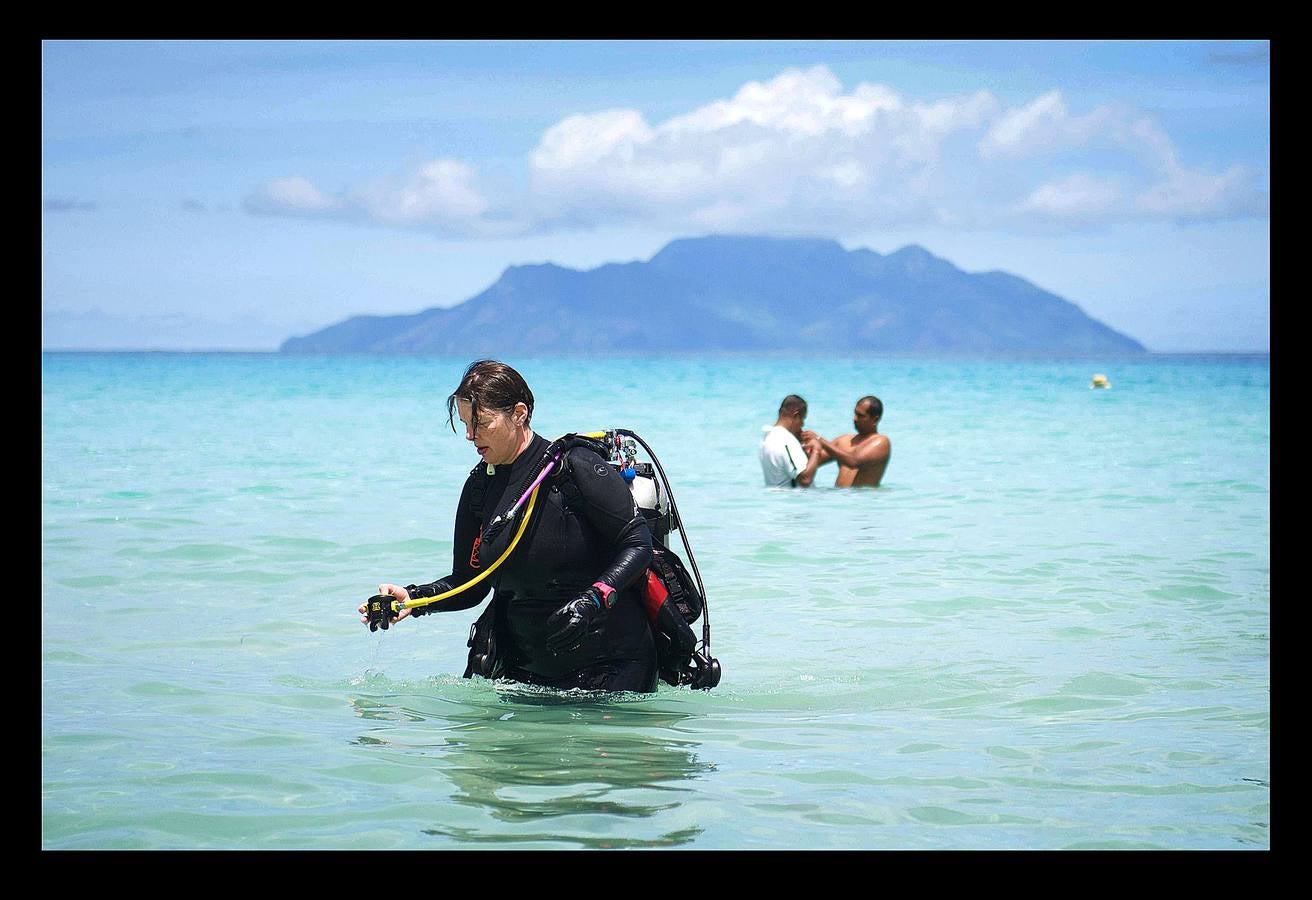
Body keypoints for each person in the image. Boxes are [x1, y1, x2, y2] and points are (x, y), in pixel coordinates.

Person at [358, 359, 659, 693]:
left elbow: (638, 543)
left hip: (611, 670)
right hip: (524, 674)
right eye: (465, 424)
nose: (471, 436)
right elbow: (470, 584)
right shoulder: (479, 488)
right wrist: (412, 599)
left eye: (481, 423)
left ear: (519, 413)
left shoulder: (574, 469)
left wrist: (593, 600)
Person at [809, 395, 891, 488]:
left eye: (861, 416)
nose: (855, 419)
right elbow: (813, 460)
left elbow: (853, 461)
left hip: (862, 500)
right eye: (855, 414)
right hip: (839, 499)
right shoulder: (843, 440)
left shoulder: (881, 442)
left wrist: (820, 440)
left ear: (875, 419)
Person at [759, 394, 824, 488]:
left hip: (775, 498)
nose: (802, 424)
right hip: (793, 501)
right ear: (796, 415)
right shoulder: (786, 440)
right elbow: (805, 480)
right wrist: (816, 450)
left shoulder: (766, 437)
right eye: (802, 419)